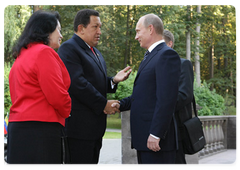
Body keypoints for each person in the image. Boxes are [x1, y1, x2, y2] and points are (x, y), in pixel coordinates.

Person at [57, 9, 132, 165]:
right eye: (95, 27)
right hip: (79, 130)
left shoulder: (95, 52)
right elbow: (78, 84)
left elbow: (95, 82)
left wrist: (113, 81)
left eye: (100, 27)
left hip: (94, 129)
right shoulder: (69, 48)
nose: (99, 31)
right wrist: (103, 104)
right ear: (81, 28)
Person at [112, 14, 181, 164]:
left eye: (138, 31)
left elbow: (167, 99)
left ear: (150, 29)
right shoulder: (149, 56)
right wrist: (120, 104)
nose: (136, 37)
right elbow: (144, 95)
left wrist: (156, 134)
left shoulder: (166, 54)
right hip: (144, 139)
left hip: (156, 142)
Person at [7, 10, 71, 165]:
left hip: (18, 129)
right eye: (59, 30)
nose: (61, 35)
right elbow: (57, 95)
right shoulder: (43, 52)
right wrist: (66, 110)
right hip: (40, 130)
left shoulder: (21, 56)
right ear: (47, 32)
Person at [163, 29, 194, 165]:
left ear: (170, 44)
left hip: (177, 130)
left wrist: (160, 107)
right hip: (160, 131)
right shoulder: (155, 66)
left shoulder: (183, 64)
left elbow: (185, 95)